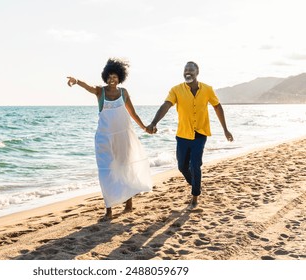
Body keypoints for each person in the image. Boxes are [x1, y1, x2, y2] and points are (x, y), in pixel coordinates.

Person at [67, 58, 152, 221]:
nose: (112, 79)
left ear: (120, 77)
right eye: (109, 77)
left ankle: (128, 203)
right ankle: (109, 209)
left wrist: (144, 127)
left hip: (123, 136)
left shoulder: (123, 93)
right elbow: (88, 87)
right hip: (104, 138)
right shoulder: (101, 92)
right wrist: (76, 81)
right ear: (105, 77)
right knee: (106, 172)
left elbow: (133, 113)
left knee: (125, 167)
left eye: (115, 77)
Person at [146, 61, 233, 209]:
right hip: (182, 134)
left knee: (196, 164)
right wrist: (154, 123)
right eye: (185, 70)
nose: (188, 73)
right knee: (182, 166)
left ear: (197, 72)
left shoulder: (207, 89)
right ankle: (195, 185)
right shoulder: (176, 90)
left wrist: (225, 129)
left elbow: (217, 107)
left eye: (191, 70)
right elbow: (165, 106)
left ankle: (195, 198)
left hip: (200, 134)